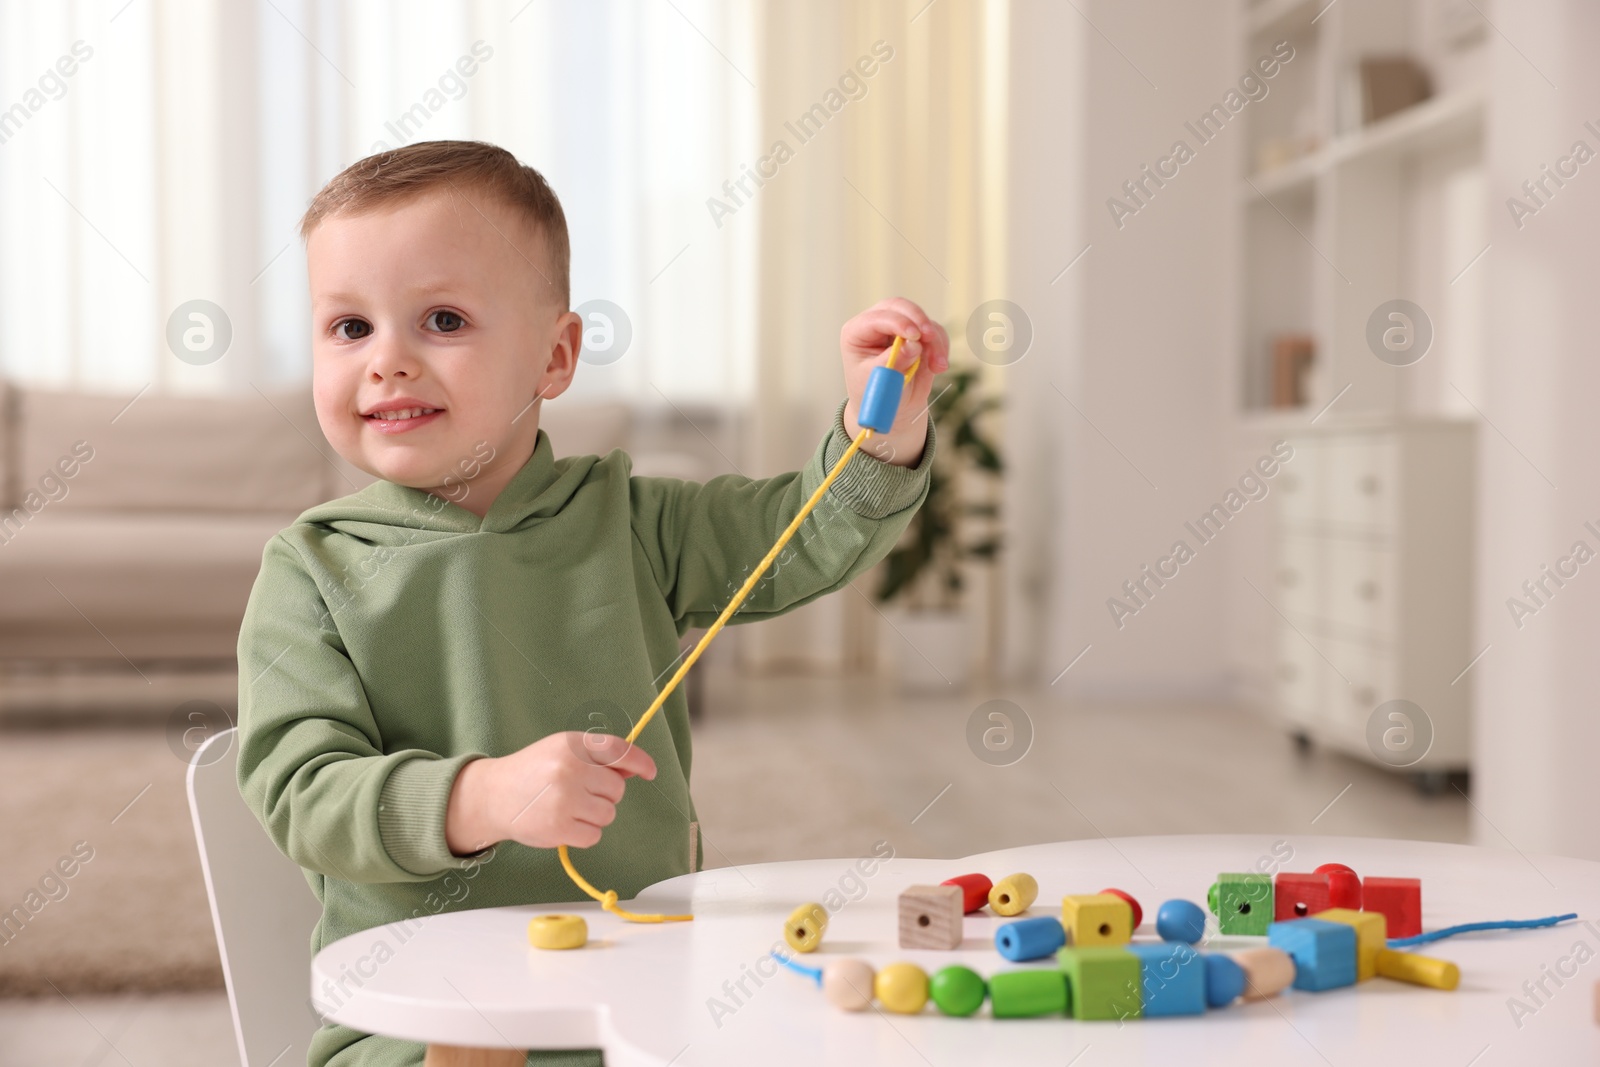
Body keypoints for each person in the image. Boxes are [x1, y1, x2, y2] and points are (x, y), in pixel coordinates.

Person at [235, 139, 947, 1066]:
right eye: (349, 328)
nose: (388, 362)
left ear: (555, 356)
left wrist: (879, 427)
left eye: (441, 319)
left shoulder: (632, 521)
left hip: (650, 1000)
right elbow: (301, 792)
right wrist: (482, 795)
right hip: (420, 1025)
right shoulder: (311, 569)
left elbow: (798, 536)